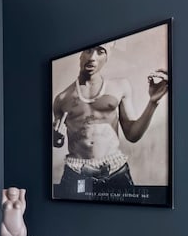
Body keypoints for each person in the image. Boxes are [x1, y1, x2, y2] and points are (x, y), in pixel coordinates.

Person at [53, 41, 168, 195]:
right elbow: (57, 141)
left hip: (115, 171)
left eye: (101, 51)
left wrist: (153, 102)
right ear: (80, 55)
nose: (92, 57)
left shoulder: (120, 87)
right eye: (88, 50)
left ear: (107, 57)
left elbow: (132, 135)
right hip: (77, 172)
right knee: (72, 216)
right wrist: (56, 138)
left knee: (126, 218)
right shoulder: (61, 99)